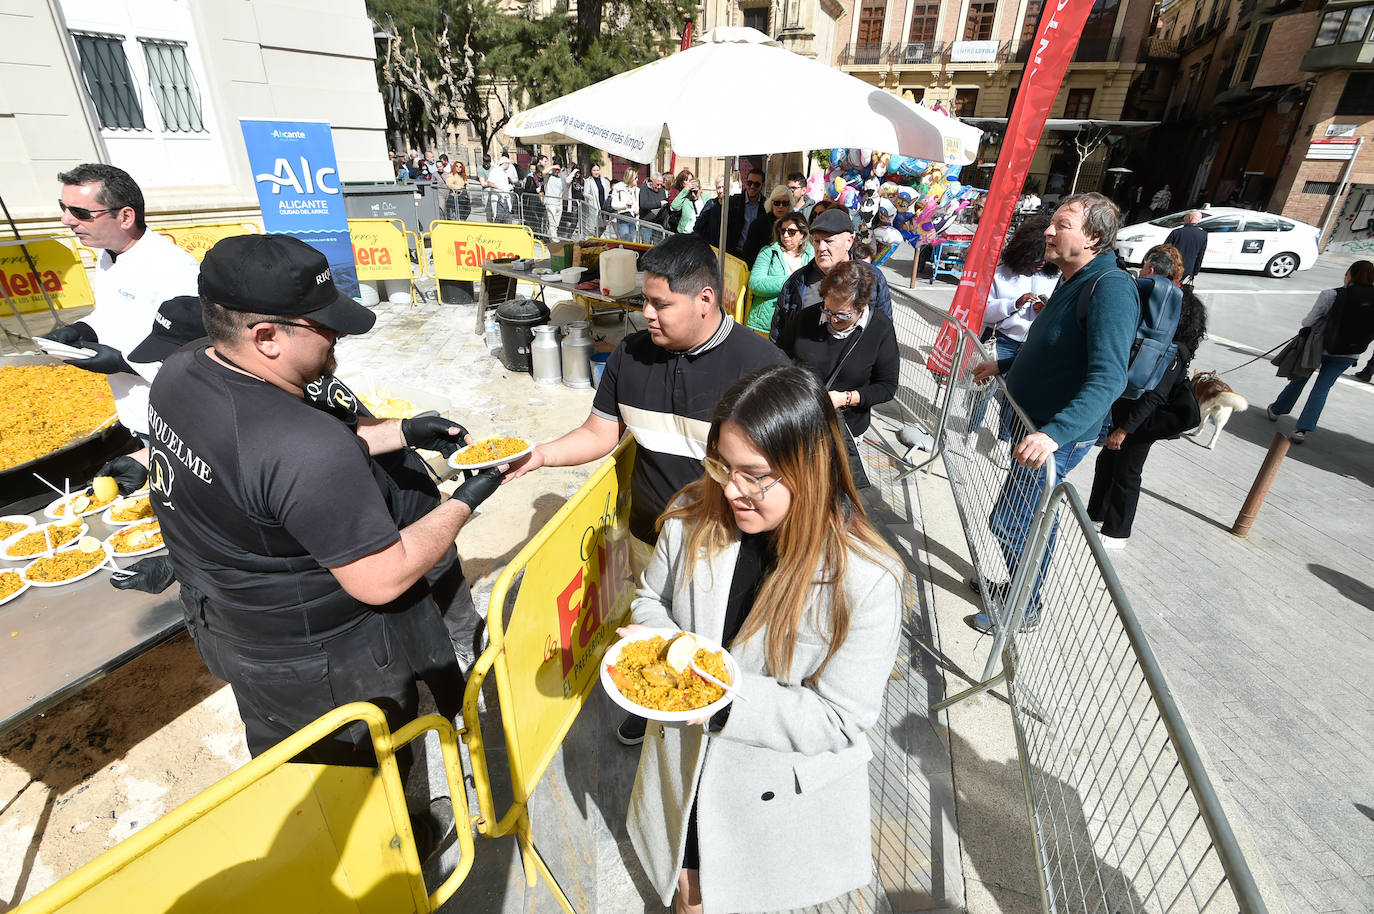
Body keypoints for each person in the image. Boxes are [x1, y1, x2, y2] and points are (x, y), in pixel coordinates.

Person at [148, 233, 503, 764]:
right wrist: (468, 497)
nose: (338, 334)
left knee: (288, 760)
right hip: (315, 658)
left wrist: (401, 431)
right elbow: (384, 577)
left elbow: (268, 478)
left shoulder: (185, 368)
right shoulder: (304, 447)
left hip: (227, 625)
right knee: (361, 782)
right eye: (323, 325)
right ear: (266, 336)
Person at [622, 363, 903, 914]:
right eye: (723, 467)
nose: (732, 490)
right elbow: (650, 600)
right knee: (688, 888)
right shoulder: (693, 517)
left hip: (768, 786)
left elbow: (840, 719)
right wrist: (662, 648)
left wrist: (720, 700)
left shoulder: (867, 579)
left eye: (755, 475)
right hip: (686, 770)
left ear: (811, 468)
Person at [503, 233, 788, 745]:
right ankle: (649, 701)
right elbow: (599, 432)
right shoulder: (629, 357)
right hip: (649, 537)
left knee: (719, 640)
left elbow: (789, 471)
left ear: (706, 300)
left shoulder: (763, 367)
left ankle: (720, 722)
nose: (648, 315)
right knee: (655, 629)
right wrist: (541, 454)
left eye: (661, 304)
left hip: (731, 545)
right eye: (644, 302)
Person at [967, 192, 1138, 634]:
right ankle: (1017, 588)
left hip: (1055, 434)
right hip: (1037, 426)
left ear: (1094, 237)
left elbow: (1108, 378)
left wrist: (1054, 434)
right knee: (1024, 518)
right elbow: (1057, 347)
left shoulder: (1110, 288)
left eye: (1062, 225)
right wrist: (1005, 364)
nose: (1047, 230)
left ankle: (1024, 606)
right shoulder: (1072, 277)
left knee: (1015, 520)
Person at [46, 163, 201, 441]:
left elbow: (198, 353)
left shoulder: (175, 269)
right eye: (64, 207)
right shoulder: (108, 255)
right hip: (135, 412)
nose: (66, 220)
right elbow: (115, 313)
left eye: (80, 213)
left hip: (176, 423)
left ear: (125, 217)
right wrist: (82, 330)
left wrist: (121, 363)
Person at [1088, 245, 1207, 547]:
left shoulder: (1165, 316)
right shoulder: (1175, 302)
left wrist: (1124, 429)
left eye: (1143, 266)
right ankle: (1097, 514)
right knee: (1109, 459)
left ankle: (1117, 532)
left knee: (1128, 469)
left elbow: (1156, 394)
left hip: (1146, 410)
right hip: (1134, 398)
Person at [781, 262, 899, 488]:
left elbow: (887, 387)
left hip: (844, 429)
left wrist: (846, 398)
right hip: (800, 421)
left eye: (843, 315)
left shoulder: (880, 329)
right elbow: (783, 355)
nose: (833, 319)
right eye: (828, 310)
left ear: (862, 305)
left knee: (831, 490)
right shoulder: (807, 318)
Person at [1266, 260, 1374, 443]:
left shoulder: (1332, 294)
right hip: (1350, 353)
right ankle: (1302, 430)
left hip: (1319, 346)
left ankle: (1277, 409)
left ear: (1349, 273)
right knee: (1322, 389)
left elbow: (1308, 322)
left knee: (1300, 377)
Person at [769, 208, 892, 345]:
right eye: (816, 241)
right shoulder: (796, 281)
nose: (821, 247)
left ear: (849, 241)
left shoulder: (872, 278)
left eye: (829, 241)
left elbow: (883, 333)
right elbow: (779, 332)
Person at [981, 214, 1060, 365]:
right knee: (981, 389)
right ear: (1024, 252)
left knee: (1015, 389)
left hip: (1033, 346)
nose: (1041, 263)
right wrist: (1014, 304)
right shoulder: (1001, 274)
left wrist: (1045, 309)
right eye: (1036, 258)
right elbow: (984, 313)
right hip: (1001, 341)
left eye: (1046, 258)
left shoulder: (1053, 275)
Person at [746, 212, 812, 334]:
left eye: (791, 232)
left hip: (797, 326)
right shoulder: (768, 252)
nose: (786, 235)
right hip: (765, 325)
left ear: (802, 233)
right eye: (783, 231)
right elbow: (755, 283)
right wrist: (790, 281)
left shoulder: (811, 255)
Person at [695, 168, 766, 262]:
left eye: (756, 184)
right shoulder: (733, 202)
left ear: (762, 185)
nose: (752, 186)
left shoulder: (766, 205)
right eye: (749, 183)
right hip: (732, 254)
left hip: (754, 257)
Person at [1163, 210, 1206, 282]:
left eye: (1185, 218)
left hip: (1171, 266)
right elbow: (1200, 254)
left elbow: (1165, 250)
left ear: (1189, 218)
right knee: (1178, 285)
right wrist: (1195, 272)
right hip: (1187, 269)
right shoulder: (1203, 235)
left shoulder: (1177, 232)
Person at [484, 154, 518, 223]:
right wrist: (499, 188)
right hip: (497, 198)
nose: (509, 166)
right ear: (505, 164)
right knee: (497, 218)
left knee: (506, 217)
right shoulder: (495, 171)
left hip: (505, 198)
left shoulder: (504, 173)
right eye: (508, 164)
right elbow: (489, 183)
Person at [610, 166, 641, 241]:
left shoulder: (637, 190)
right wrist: (625, 205)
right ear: (631, 177)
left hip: (633, 218)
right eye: (636, 177)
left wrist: (637, 209)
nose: (637, 179)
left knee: (632, 242)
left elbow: (638, 203)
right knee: (625, 241)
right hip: (623, 218)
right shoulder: (618, 187)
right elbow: (613, 204)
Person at [583, 163, 613, 236]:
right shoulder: (588, 181)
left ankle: (598, 237)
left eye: (597, 170)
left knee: (604, 225)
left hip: (604, 206)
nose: (596, 172)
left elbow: (608, 191)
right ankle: (596, 238)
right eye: (594, 170)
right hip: (595, 205)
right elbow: (585, 193)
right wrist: (589, 196)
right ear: (591, 171)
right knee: (595, 226)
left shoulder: (604, 180)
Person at [639, 171, 669, 240]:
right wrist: (659, 204)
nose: (659, 187)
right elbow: (643, 204)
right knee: (646, 245)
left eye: (661, 185)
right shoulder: (644, 189)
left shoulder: (662, 190)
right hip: (647, 223)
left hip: (658, 224)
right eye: (657, 184)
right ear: (652, 182)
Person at [544, 162, 567, 242]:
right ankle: (554, 240)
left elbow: (562, 190)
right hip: (550, 202)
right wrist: (553, 166)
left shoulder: (560, 178)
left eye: (558, 169)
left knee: (556, 224)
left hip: (558, 203)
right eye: (556, 169)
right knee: (552, 222)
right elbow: (544, 172)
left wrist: (560, 202)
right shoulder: (548, 176)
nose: (557, 171)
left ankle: (550, 236)